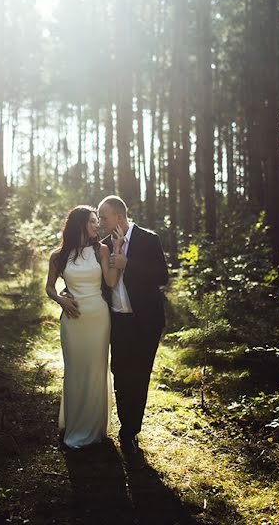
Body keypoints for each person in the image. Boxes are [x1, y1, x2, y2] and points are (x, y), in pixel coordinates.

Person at [45, 206, 125, 449]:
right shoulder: (58, 255)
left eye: (97, 221)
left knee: (96, 370)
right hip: (72, 319)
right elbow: (49, 287)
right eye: (92, 221)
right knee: (75, 371)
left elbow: (110, 281)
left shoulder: (101, 249)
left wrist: (118, 249)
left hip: (98, 318)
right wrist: (62, 299)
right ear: (79, 223)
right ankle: (75, 425)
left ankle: (94, 429)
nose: (96, 225)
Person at [97, 195, 169, 456]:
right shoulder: (104, 246)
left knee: (139, 377)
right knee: (120, 372)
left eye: (103, 217)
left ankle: (129, 432)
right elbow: (99, 283)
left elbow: (162, 276)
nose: (101, 222)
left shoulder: (149, 239)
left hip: (146, 322)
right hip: (117, 321)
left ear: (119, 216)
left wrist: (130, 266)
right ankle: (127, 425)